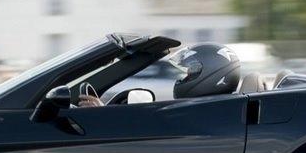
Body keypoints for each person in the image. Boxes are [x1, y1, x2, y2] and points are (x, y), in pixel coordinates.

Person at [76, 42, 240, 106]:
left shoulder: (202, 111)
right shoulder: (211, 108)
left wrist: (102, 116)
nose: (183, 78)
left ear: (211, 74)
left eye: (190, 72)